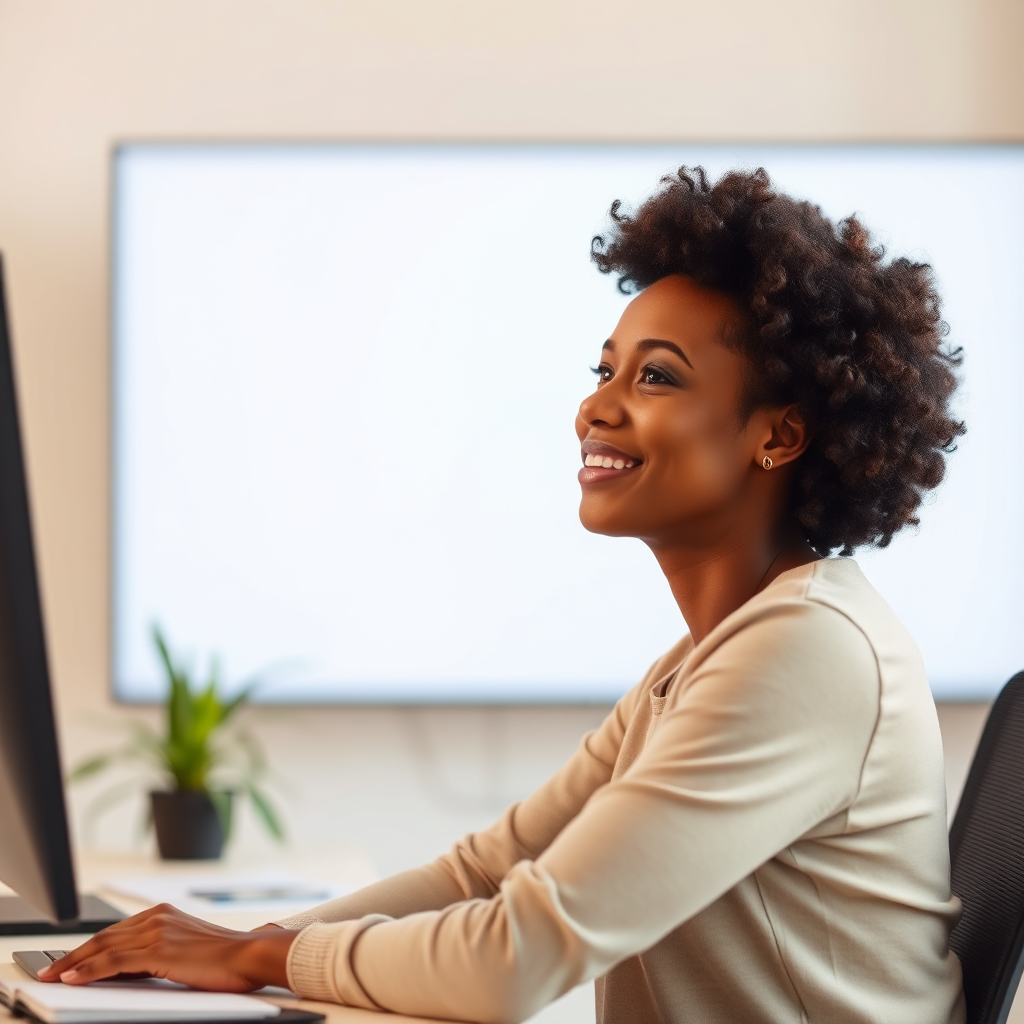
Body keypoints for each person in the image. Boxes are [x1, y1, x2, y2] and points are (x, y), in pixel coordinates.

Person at [41, 166, 967, 1024]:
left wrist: (259, 958)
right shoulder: (707, 659)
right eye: (604, 370)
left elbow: (519, 955)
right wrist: (247, 950)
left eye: (655, 376)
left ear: (779, 435)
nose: (597, 407)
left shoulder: (805, 651)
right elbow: (488, 872)